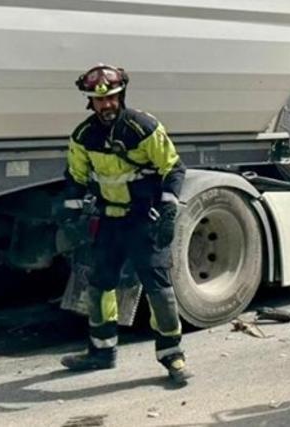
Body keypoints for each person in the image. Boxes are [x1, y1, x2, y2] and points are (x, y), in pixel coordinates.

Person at [59, 64, 191, 385]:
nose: (106, 105)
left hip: (143, 221)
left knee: (159, 291)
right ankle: (101, 352)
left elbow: (173, 170)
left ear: (122, 95)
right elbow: (76, 180)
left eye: (112, 98)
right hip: (108, 222)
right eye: (98, 100)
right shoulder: (83, 136)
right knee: (100, 286)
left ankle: (172, 355)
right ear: (90, 102)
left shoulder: (143, 128)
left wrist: (169, 211)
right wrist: (69, 218)